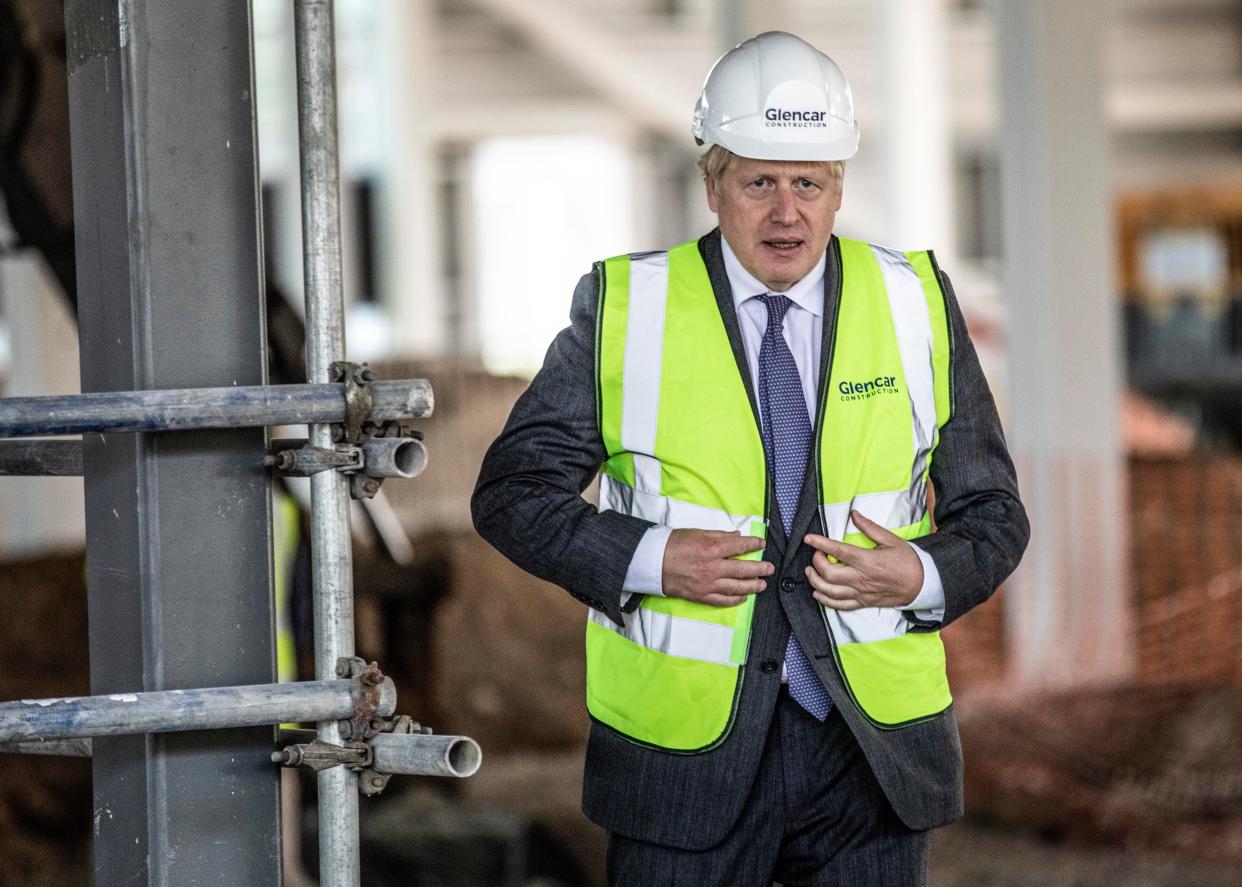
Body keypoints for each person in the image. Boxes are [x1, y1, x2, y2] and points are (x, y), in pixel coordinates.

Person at [472, 31, 1028, 886]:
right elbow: (513, 494)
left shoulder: (915, 299)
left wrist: (917, 575)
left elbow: (993, 515)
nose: (786, 211)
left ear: (839, 187)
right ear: (712, 182)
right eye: (759, 181)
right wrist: (653, 559)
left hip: (871, 759)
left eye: (808, 182)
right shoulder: (626, 307)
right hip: (680, 762)